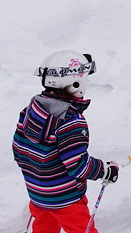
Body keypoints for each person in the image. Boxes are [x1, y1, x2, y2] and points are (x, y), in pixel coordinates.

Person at [12, 50, 119, 233]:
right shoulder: (71, 121)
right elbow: (78, 165)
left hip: (38, 194)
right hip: (65, 199)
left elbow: (18, 149)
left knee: (44, 228)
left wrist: (38, 175)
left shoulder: (32, 110)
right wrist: (105, 171)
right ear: (75, 82)